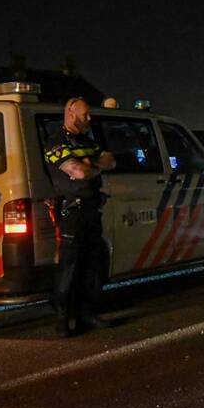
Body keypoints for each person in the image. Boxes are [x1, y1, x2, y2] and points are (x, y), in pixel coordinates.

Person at [45, 97, 117, 336]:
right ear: (70, 113)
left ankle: (87, 313)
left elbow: (111, 161)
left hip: (92, 209)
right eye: (85, 115)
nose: (89, 118)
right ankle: (63, 319)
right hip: (72, 211)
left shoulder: (87, 141)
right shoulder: (55, 142)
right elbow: (77, 171)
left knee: (91, 264)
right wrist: (93, 166)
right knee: (69, 266)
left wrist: (90, 164)